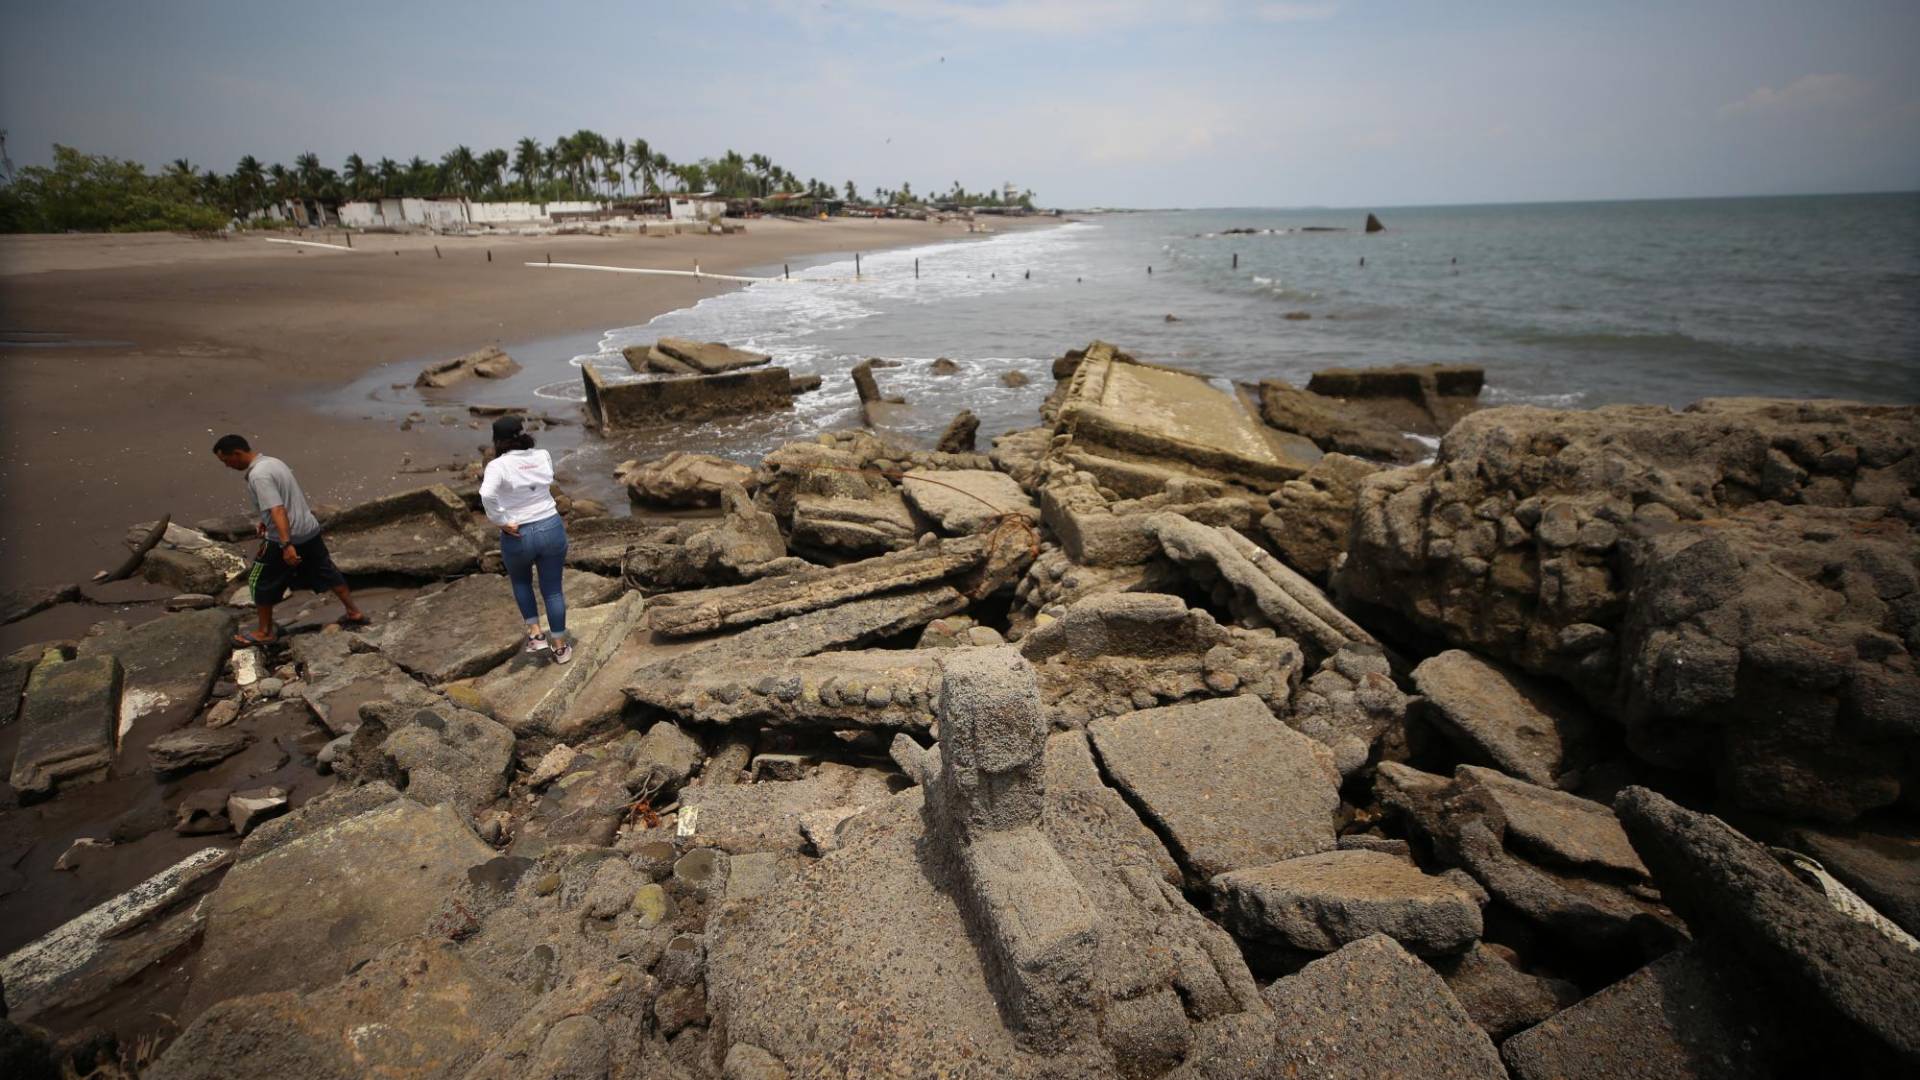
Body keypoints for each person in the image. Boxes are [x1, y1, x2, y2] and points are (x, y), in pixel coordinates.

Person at [212, 434, 368, 646]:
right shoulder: (273, 462)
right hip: (308, 529)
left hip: (286, 537)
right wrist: (265, 520)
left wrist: (286, 544)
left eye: (226, 461)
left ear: (237, 454)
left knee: (258, 581)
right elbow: (285, 499)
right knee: (327, 570)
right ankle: (354, 612)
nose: (227, 466)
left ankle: (265, 631)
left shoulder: (259, 476)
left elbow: (278, 508)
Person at [480, 416, 571, 663]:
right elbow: (544, 482)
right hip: (551, 526)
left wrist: (500, 520)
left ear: (497, 440)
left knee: (521, 583)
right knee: (553, 590)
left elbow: (487, 494)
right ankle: (561, 648)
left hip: (518, 533)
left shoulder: (497, 466)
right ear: (523, 434)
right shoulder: (542, 455)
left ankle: (536, 634)